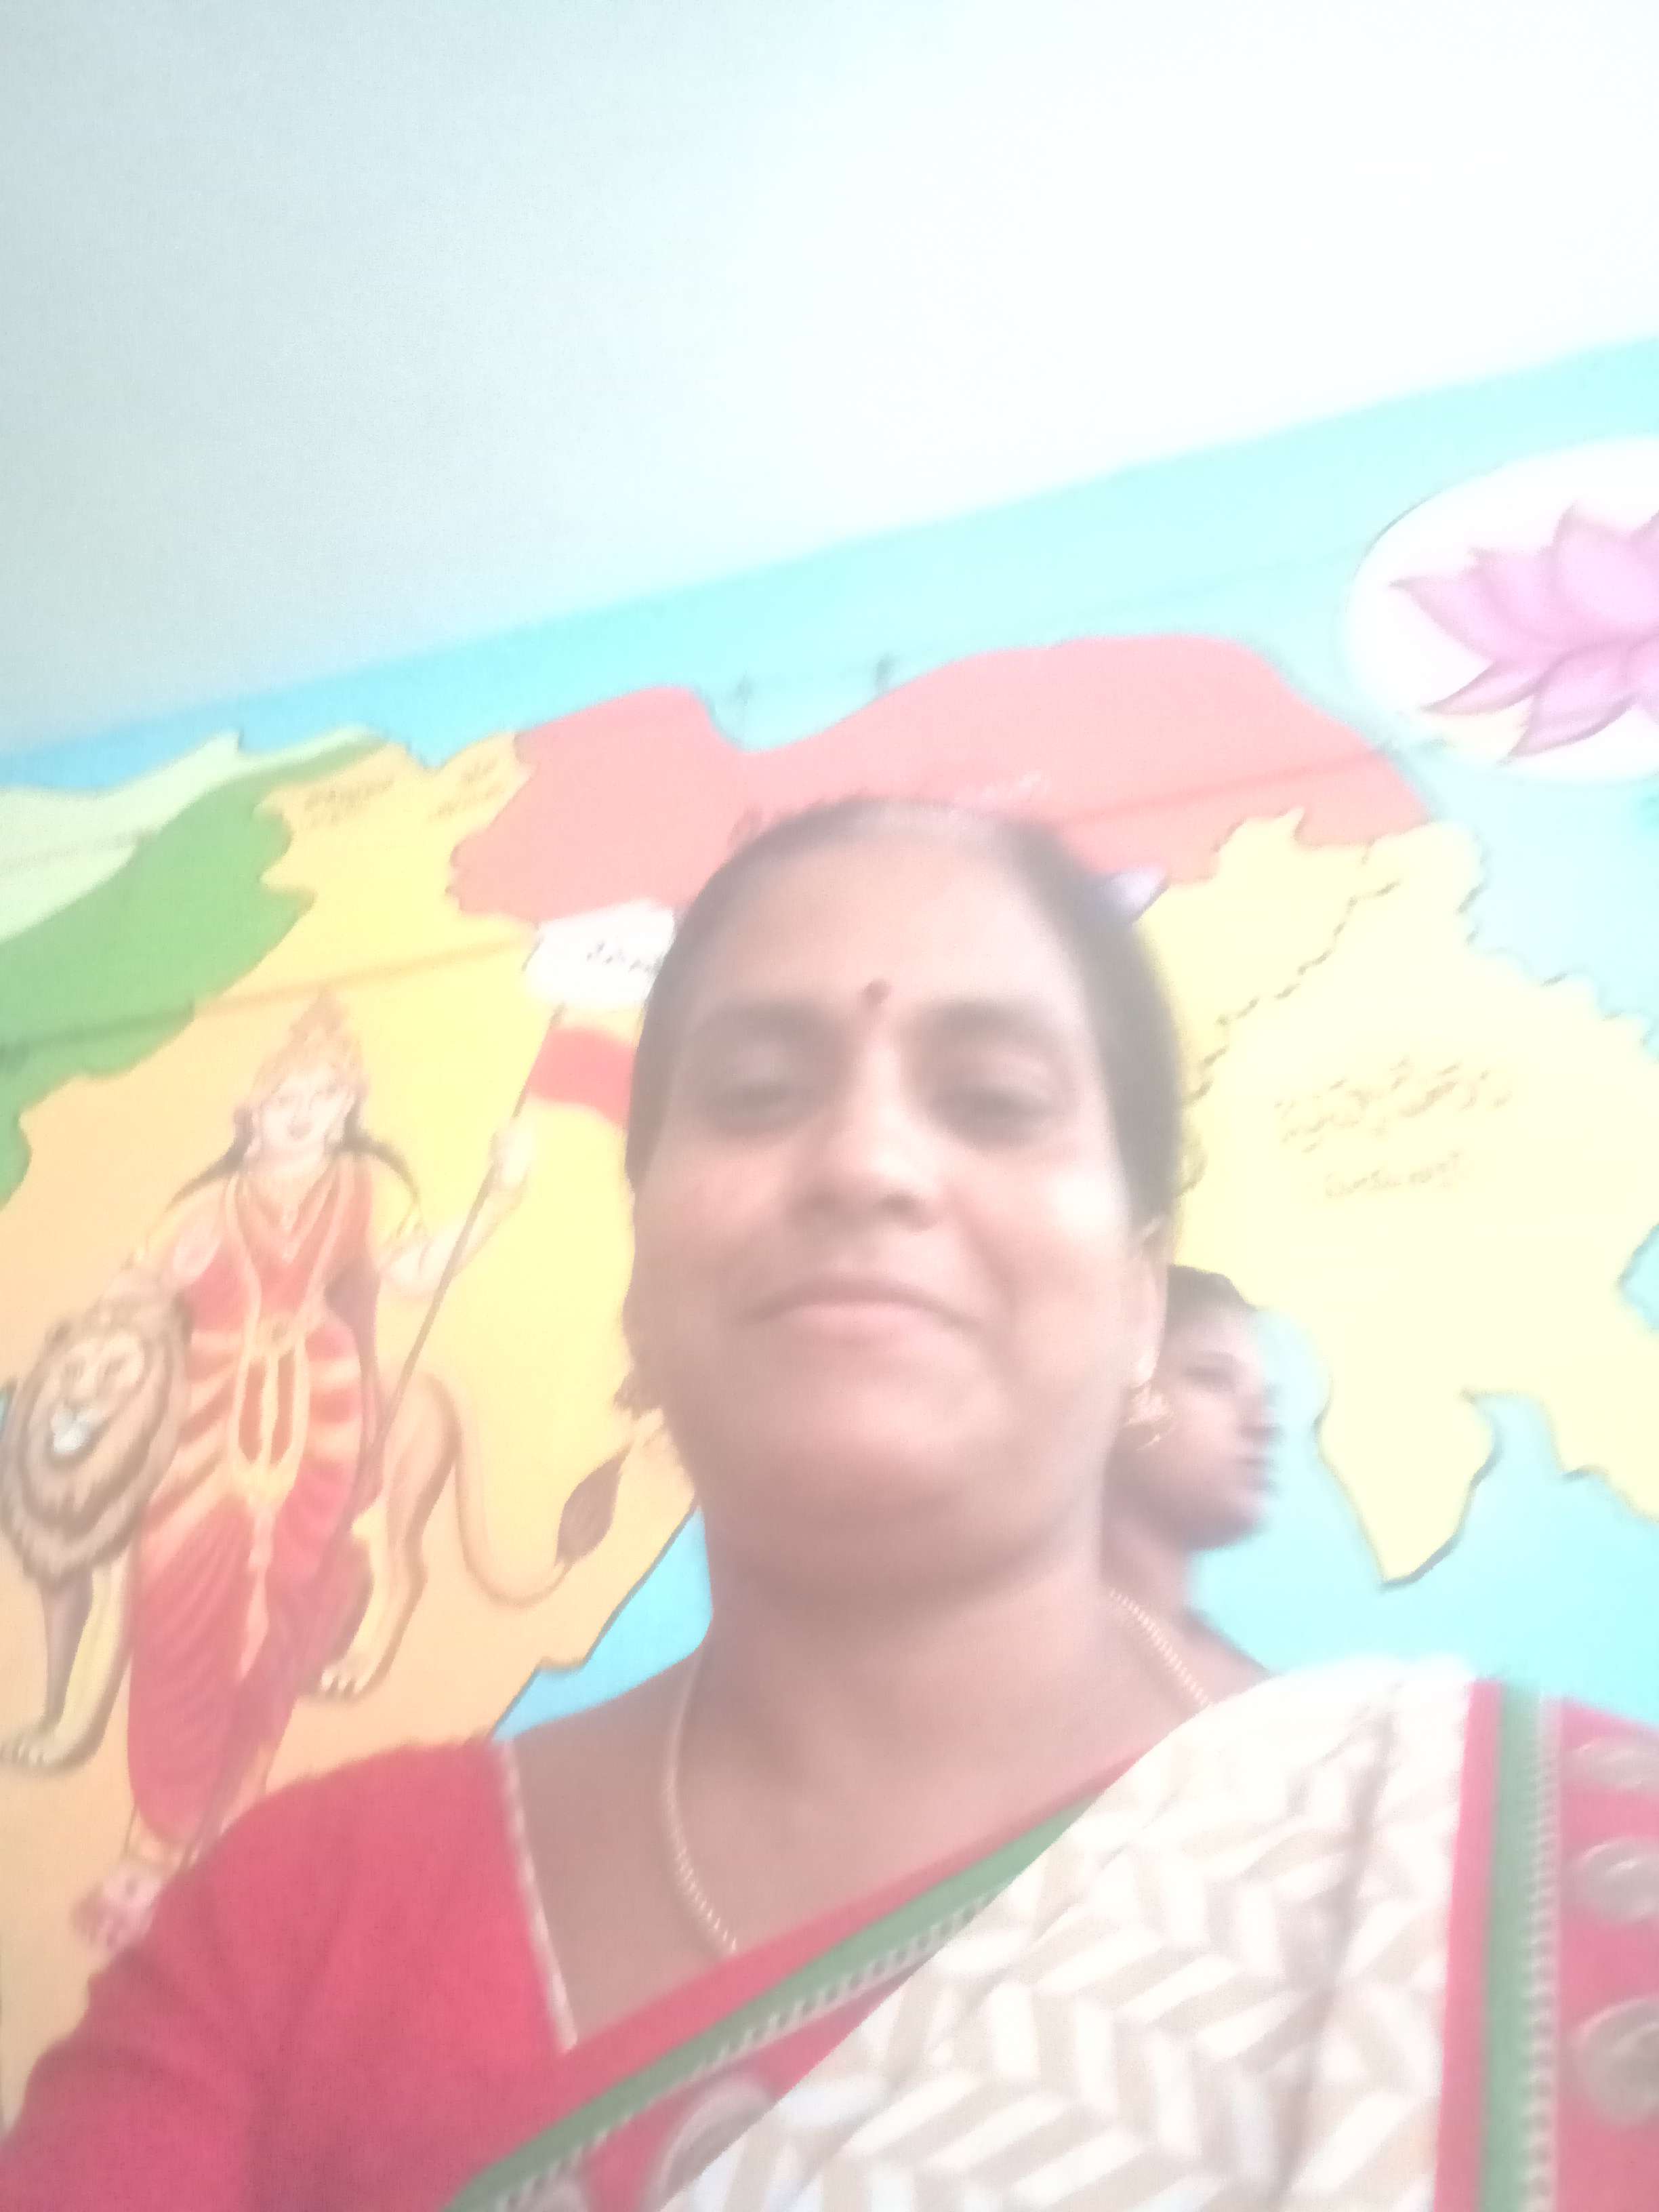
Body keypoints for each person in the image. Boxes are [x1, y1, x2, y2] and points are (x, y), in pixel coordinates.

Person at [3, 802, 1656, 2211]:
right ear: (641, 1281)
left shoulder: (1525, 1872)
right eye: (755, 1091)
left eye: (992, 1099)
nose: (866, 1161)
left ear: (1141, 1300)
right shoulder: (300, 1922)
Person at [1101, 1263, 1273, 1704]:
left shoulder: (1258, 1692)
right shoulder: (1018, 1645)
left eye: (1267, 1399)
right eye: (1214, 1379)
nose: (1263, 1424)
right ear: (1113, 1392)